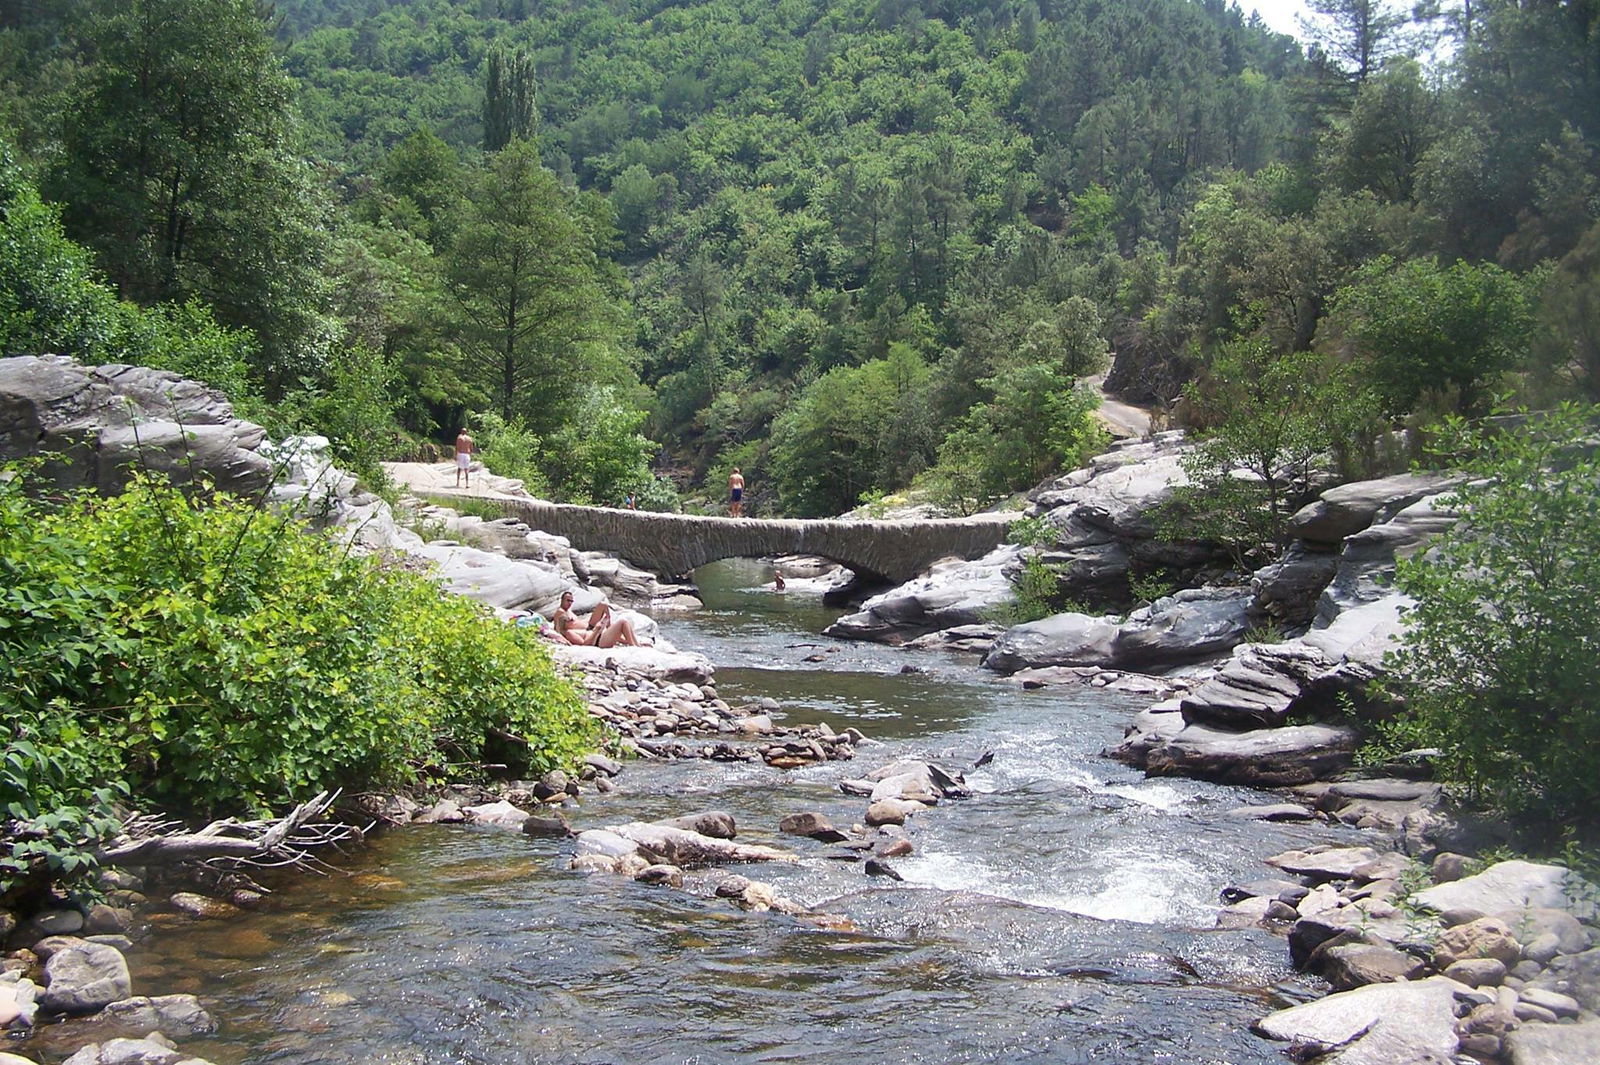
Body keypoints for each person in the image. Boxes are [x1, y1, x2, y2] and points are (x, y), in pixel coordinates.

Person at [551, 591, 646, 648]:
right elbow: (585, 645)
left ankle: (636, 644)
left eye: (571, 601)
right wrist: (596, 631)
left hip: (596, 634)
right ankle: (635, 646)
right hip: (598, 640)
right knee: (622, 623)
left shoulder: (569, 613)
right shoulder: (567, 629)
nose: (570, 603)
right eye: (568, 600)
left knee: (624, 622)